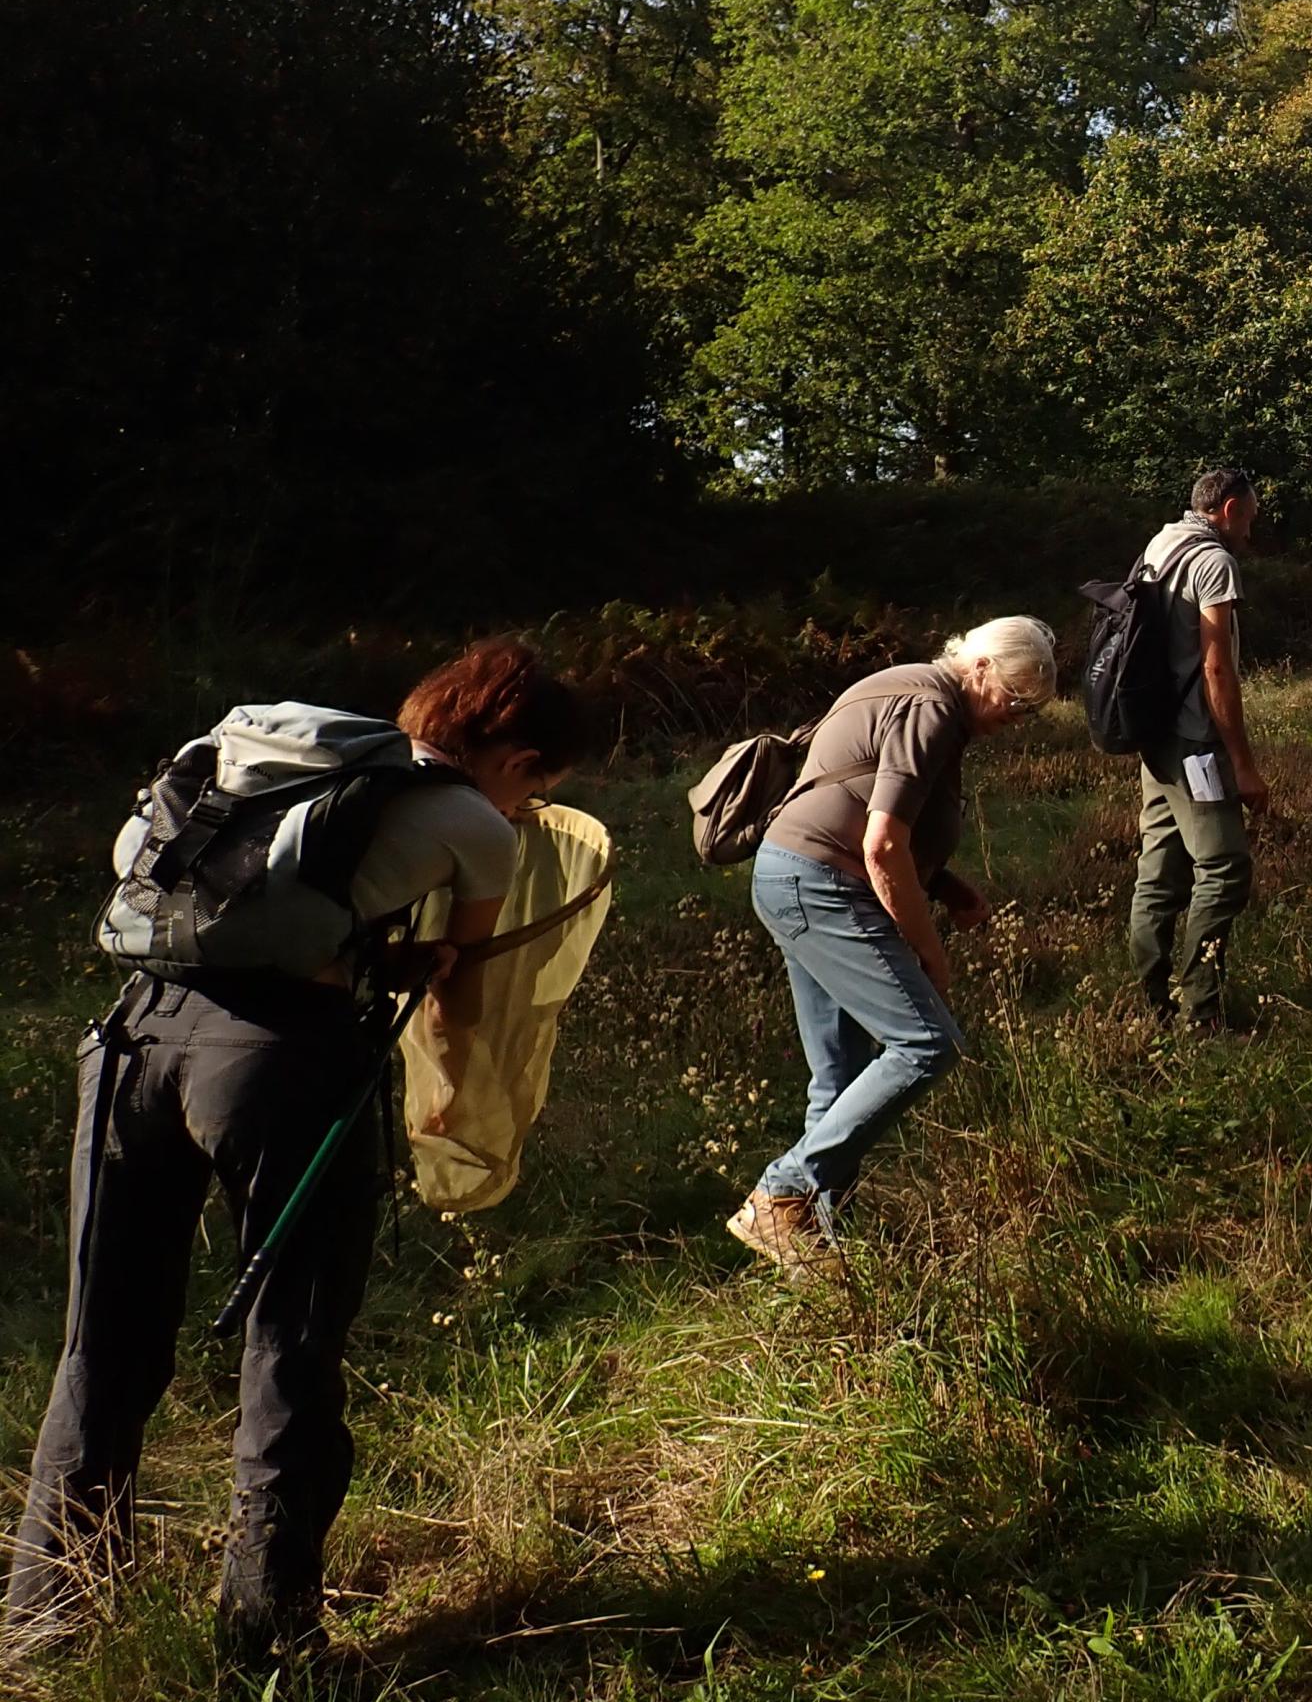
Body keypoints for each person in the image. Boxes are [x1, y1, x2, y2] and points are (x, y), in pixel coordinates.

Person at [8, 642, 587, 1666]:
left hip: (133, 1043)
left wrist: (361, 943)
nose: (527, 804)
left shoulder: (259, 757)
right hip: (280, 1069)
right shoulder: (469, 825)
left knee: (101, 1341)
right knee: (291, 1344)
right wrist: (449, 1101)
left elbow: (147, 871)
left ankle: (47, 1626)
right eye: (537, 784)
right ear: (521, 757)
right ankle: (267, 1645)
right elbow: (461, 1009)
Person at [731, 617, 1059, 1276]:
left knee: (840, 1077)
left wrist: (947, 887)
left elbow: (869, 811)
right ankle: (783, 1192)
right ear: (982, 668)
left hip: (795, 876)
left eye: (1031, 711)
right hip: (822, 885)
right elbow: (881, 844)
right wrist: (929, 949)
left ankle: (819, 1251)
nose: (1016, 718)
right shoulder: (932, 705)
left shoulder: (913, 691)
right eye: (1016, 701)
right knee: (927, 1043)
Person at [1129, 467, 1267, 1033]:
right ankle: (1200, 1011)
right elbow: (1216, 667)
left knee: (1159, 874)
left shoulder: (1160, 544)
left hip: (1153, 736)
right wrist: (1242, 762)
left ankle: (1148, 1005)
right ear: (1230, 509)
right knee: (1225, 869)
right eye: (1251, 518)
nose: (1252, 532)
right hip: (1194, 746)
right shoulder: (1214, 562)